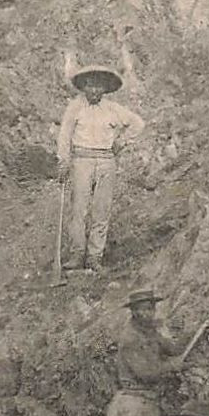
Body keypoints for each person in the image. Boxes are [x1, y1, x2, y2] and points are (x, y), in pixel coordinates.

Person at [55, 65, 145, 272]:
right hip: (81, 161)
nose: (94, 90)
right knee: (79, 210)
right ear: (83, 86)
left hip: (106, 161)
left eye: (99, 86)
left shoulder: (113, 108)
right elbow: (64, 135)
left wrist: (122, 142)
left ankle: (95, 257)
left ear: (105, 89)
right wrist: (63, 160)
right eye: (90, 85)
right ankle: (77, 254)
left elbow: (138, 124)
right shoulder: (74, 107)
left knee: (101, 210)